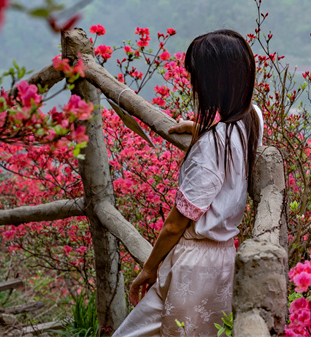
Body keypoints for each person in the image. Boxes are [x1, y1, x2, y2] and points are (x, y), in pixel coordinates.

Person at [113, 29, 263, 337]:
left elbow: (175, 224)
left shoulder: (212, 146)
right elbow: (228, 145)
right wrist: (200, 129)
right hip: (223, 260)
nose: (193, 84)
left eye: (196, 77)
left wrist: (148, 268)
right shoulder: (252, 119)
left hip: (193, 265)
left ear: (213, 82)